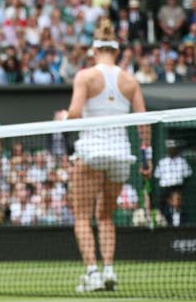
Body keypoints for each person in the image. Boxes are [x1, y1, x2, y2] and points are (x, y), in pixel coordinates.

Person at [62, 19, 149, 293]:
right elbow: (144, 125)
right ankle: (109, 270)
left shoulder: (85, 76)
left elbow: (75, 113)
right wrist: (146, 159)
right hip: (121, 156)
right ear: (116, 48)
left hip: (92, 153)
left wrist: (62, 118)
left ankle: (93, 274)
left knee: (82, 217)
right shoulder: (130, 80)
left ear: (94, 49)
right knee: (106, 217)